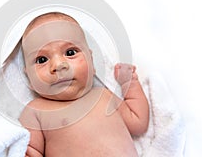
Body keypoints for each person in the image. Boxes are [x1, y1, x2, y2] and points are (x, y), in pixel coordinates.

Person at [19, 12, 149, 157]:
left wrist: (129, 84)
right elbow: (29, 151)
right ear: (29, 78)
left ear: (92, 63)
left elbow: (138, 122)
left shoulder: (103, 96)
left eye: (70, 52)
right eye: (42, 60)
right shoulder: (36, 111)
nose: (58, 65)